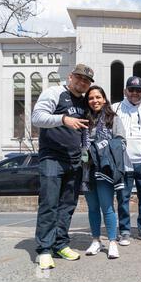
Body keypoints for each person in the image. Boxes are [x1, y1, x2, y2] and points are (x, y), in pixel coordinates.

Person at [32, 64, 94, 270]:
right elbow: (37, 118)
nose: (82, 82)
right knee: (49, 203)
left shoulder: (84, 102)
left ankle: (60, 244)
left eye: (86, 80)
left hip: (74, 160)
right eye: (79, 78)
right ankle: (44, 249)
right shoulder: (55, 93)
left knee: (67, 205)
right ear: (70, 77)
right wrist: (63, 119)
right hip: (52, 157)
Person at [112, 76, 141, 245]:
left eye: (138, 90)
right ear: (125, 91)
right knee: (123, 198)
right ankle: (124, 231)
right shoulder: (115, 108)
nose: (134, 93)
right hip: (124, 163)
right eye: (131, 90)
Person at [83, 86, 126, 259]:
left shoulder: (113, 119)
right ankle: (95, 240)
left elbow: (122, 142)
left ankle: (112, 242)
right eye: (91, 98)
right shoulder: (83, 120)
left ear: (104, 99)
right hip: (87, 168)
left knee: (107, 207)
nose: (95, 101)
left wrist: (103, 149)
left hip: (105, 168)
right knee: (92, 208)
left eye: (98, 97)